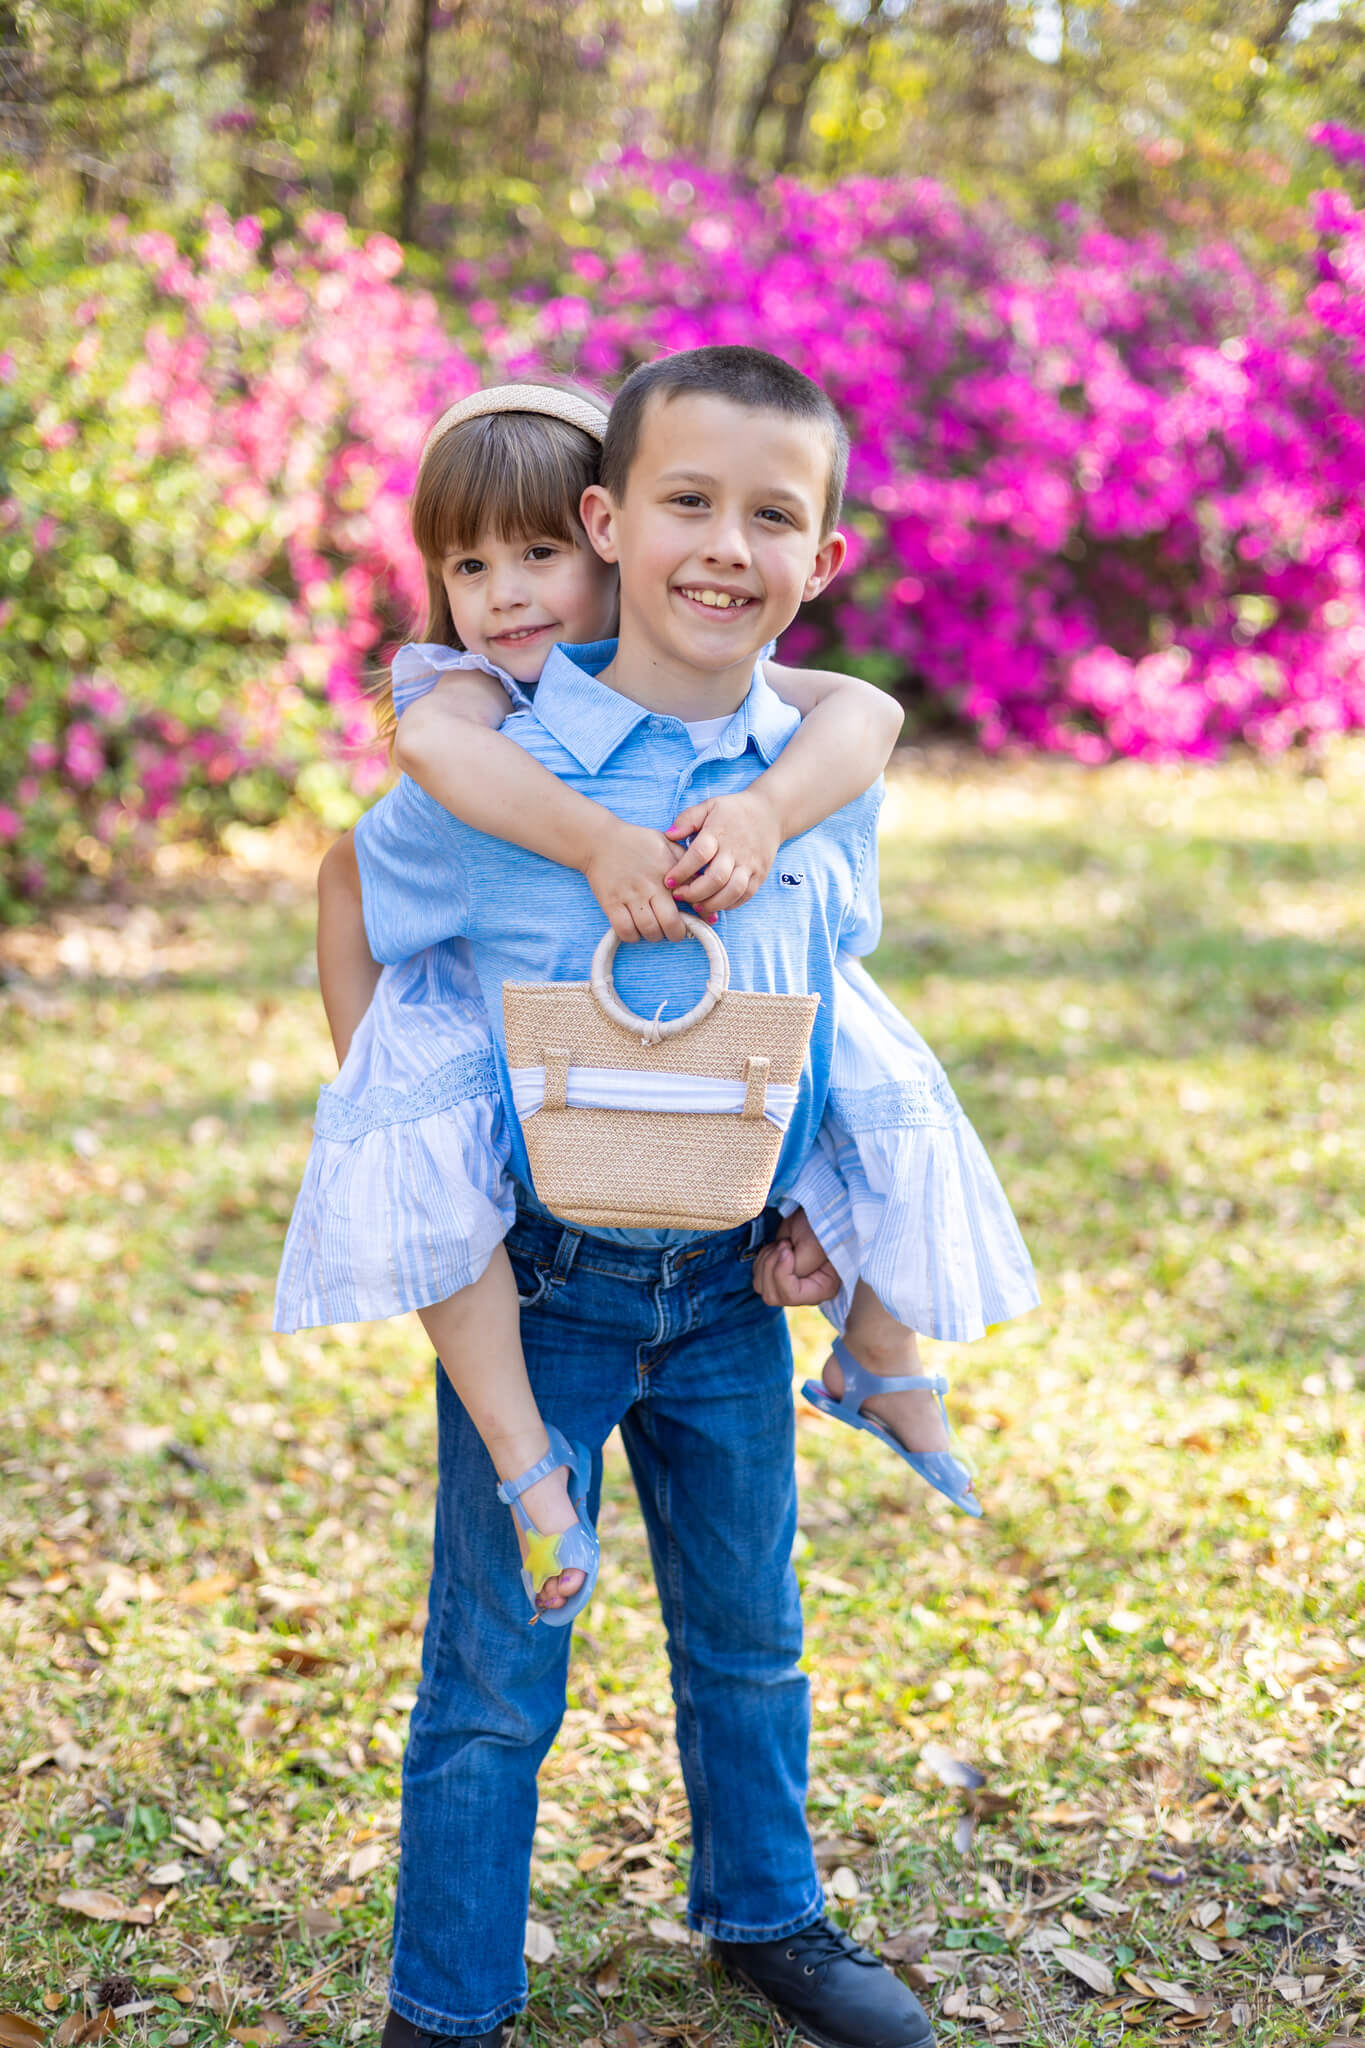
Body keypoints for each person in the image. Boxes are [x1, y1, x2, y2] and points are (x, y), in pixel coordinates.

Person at [336, 343, 990, 2048]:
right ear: (609, 525)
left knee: (751, 1630)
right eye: (688, 502)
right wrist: (380, 1121)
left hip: (722, 1295)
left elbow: (820, 1008)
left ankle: (767, 1914)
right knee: (492, 1678)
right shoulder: (513, 752)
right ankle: (447, 2002)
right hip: (544, 1282)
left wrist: (813, 1219)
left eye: (771, 515)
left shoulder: (817, 773)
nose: (725, 546)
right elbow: (357, 872)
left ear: (824, 557)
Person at [275, 380, 1037, 1620]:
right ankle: (531, 1466)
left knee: (873, 1070)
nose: (507, 594)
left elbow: (869, 710)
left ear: (601, 544)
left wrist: (767, 808)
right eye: (470, 565)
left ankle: (881, 1340)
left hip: (711, 1204)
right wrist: (375, 1068)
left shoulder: (741, 707)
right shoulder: (474, 699)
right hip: (509, 1077)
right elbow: (392, 815)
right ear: (622, 520)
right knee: (446, 1194)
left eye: (537, 556)